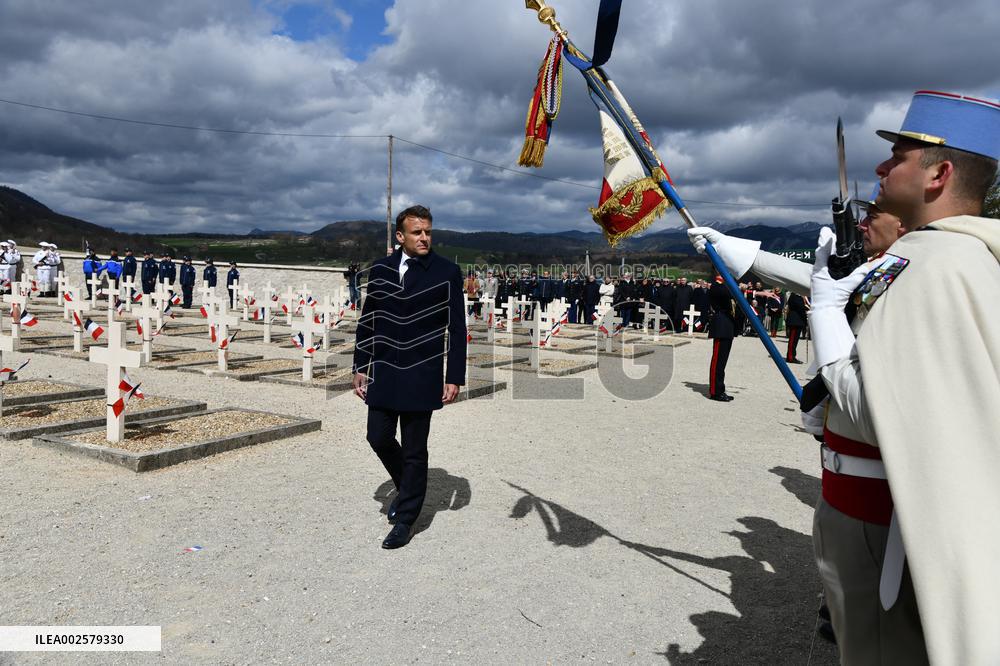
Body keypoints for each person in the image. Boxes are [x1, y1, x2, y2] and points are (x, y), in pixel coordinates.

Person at [809, 91, 1000, 665]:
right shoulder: (956, 257)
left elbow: (877, 415)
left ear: (939, 173)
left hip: (879, 520)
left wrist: (824, 321)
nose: (881, 167)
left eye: (900, 155)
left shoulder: (931, 265)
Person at [688, 186, 908, 656]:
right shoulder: (877, 270)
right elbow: (808, 278)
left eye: (875, 215)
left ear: (905, 226)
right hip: (843, 434)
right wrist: (732, 248)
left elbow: (819, 290)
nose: (864, 222)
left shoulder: (910, 271)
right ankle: (838, 595)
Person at [352, 204, 466, 550]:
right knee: (378, 436)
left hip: (423, 370)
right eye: (417, 232)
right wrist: (361, 365)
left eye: (428, 231)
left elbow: (457, 329)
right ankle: (409, 488)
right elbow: (369, 319)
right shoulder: (382, 269)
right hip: (385, 369)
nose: (424, 238)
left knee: (416, 449)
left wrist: (454, 375)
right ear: (400, 236)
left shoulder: (446, 271)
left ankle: (406, 519)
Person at [706, 274, 736, 401]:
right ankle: (715, 391)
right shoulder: (716, 286)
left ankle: (720, 389)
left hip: (727, 325)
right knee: (717, 361)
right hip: (721, 325)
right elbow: (726, 293)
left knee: (722, 361)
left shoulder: (725, 286)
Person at [784, 291, 807, 363]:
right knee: (792, 340)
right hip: (795, 321)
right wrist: (807, 308)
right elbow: (800, 306)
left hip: (799, 321)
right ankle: (790, 357)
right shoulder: (794, 296)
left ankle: (792, 355)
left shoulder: (800, 296)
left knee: (795, 341)